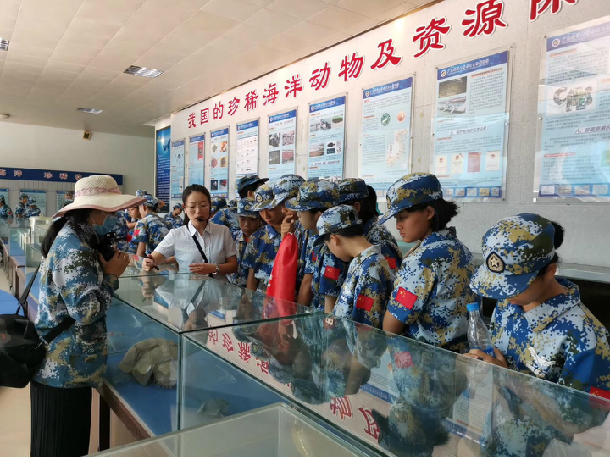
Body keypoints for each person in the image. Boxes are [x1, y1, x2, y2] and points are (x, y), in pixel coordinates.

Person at [32, 175, 141, 457]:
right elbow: (86, 312)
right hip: (64, 370)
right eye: (112, 211)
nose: (116, 217)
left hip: (66, 366)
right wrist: (112, 276)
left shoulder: (77, 238)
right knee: (61, 446)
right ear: (96, 211)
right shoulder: (75, 248)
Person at [465, 213, 610, 395]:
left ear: (550, 271)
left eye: (515, 286)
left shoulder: (586, 336)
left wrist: (505, 377)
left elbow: (583, 411)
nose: (505, 294)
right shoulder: (507, 304)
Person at [381, 173, 476, 353]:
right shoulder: (459, 248)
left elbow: (391, 326)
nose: (398, 225)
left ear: (429, 213)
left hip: (424, 360)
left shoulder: (422, 260)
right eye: (396, 219)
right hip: (460, 358)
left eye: (403, 217)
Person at [315, 205, 393, 328]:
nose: (332, 251)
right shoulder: (360, 261)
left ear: (334, 239)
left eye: (328, 246)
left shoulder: (370, 268)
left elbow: (365, 329)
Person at [143, 184, 237, 280]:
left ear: (209, 205)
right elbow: (155, 257)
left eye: (203, 206)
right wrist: (148, 262)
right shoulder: (176, 234)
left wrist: (214, 268)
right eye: (192, 206)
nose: (198, 211)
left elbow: (233, 266)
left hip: (217, 289)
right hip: (188, 288)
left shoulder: (223, 231)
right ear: (185, 208)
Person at [286, 179, 340, 309]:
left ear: (318, 215)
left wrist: (297, 317)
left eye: (302, 210)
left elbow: (308, 284)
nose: (298, 215)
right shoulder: (316, 237)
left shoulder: (334, 244)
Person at [244, 175, 303, 292]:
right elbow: (252, 274)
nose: (266, 216)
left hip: (291, 293)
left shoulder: (300, 231)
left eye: (270, 209)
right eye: (261, 211)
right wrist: (250, 299)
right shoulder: (257, 238)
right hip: (263, 293)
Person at [338, 179, 402, 272]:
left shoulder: (379, 239)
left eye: (339, 209)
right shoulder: (354, 233)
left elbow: (389, 277)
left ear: (356, 208)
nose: (334, 214)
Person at [227, 197, 262, 287]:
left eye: (252, 219)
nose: (247, 224)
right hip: (229, 288)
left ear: (259, 219)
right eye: (242, 219)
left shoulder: (265, 241)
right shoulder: (231, 237)